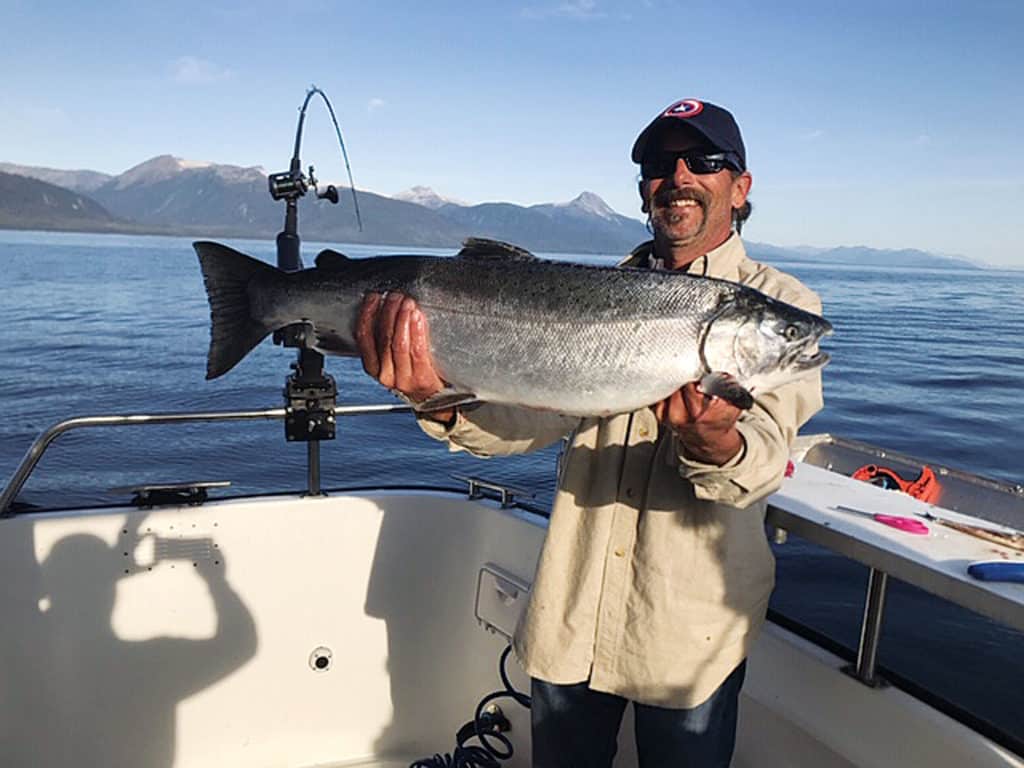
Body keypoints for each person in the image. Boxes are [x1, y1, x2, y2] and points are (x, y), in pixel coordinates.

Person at [356, 99, 824, 767]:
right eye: (660, 164)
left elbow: (765, 459)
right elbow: (523, 423)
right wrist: (436, 398)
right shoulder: (591, 291)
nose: (680, 175)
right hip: (571, 618)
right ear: (643, 188)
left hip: (691, 635)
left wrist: (717, 442)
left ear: (741, 187)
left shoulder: (784, 306)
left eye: (706, 161)